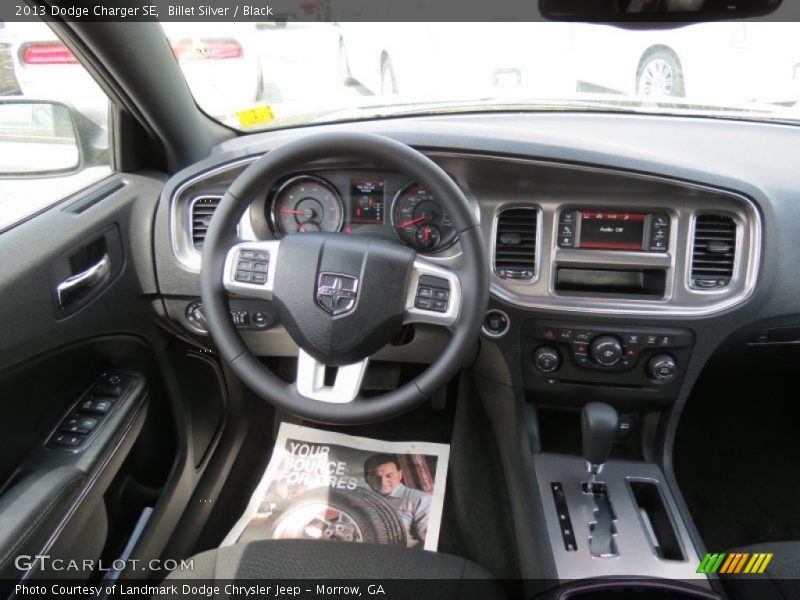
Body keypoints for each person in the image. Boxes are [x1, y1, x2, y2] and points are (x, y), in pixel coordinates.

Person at [363, 453, 432, 548]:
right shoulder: (362, 502)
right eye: (376, 476)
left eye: (389, 476)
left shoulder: (421, 499)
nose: (383, 482)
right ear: (366, 479)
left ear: (400, 475)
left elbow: (430, 542)